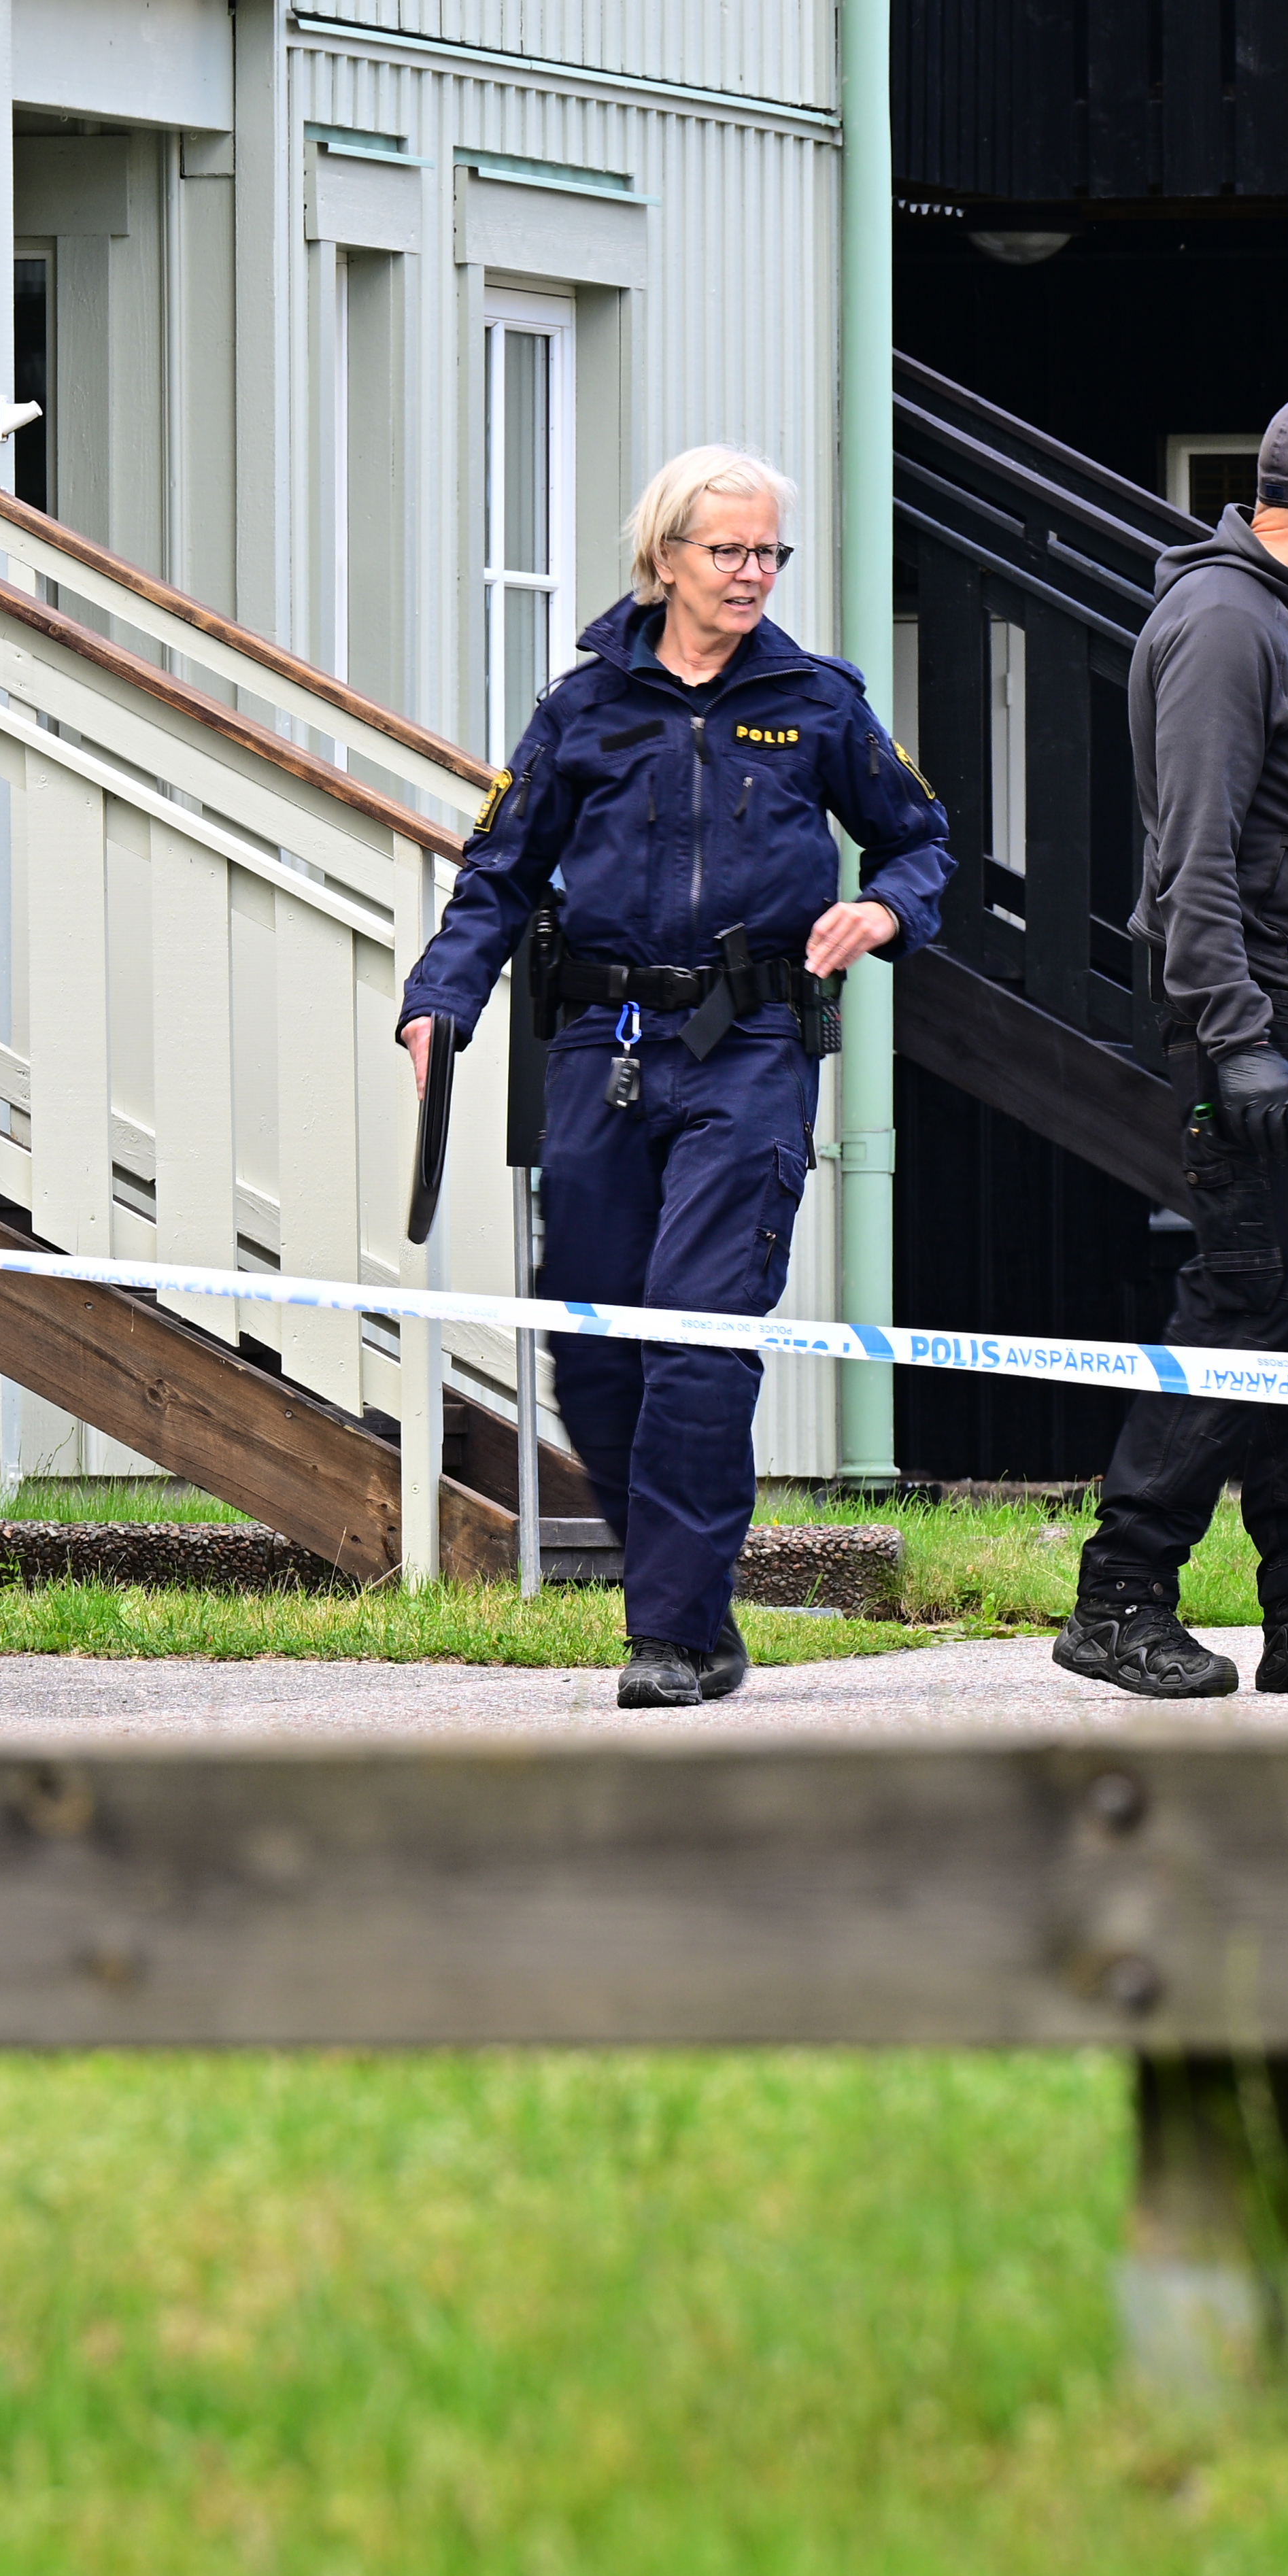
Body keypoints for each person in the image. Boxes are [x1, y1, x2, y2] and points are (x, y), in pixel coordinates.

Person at [402, 446, 948, 1710]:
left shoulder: (819, 701)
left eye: (770, 554)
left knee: (698, 1341)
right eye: (730, 552)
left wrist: (880, 917)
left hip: (751, 1051)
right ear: (665, 559)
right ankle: (695, 1607)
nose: (753, 575)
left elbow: (922, 846)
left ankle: (669, 1633)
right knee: (600, 1357)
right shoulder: (581, 708)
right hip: (599, 1053)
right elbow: (497, 874)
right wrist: (442, 1003)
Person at [1055, 384, 1288, 1701]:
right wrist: (1235, 1034)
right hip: (1268, 1021)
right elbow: (1189, 854)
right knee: (1245, 1305)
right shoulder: (1224, 622)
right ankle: (1122, 1595)